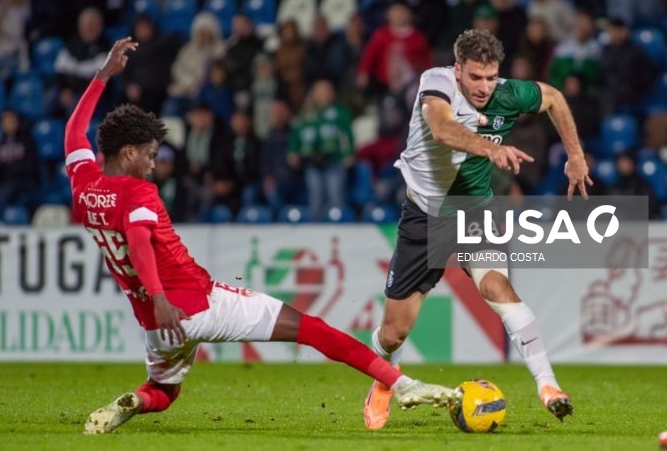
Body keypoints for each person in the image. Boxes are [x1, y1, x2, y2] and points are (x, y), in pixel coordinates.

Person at [66, 38, 460, 435]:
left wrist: (102, 77)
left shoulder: (83, 183)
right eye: (150, 155)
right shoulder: (139, 193)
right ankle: (404, 384)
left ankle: (133, 401)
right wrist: (160, 296)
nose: (153, 165)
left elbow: (73, 131)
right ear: (129, 152)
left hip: (155, 323)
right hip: (194, 301)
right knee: (311, 329)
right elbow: (137, 241)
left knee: (164, 390)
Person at [363, 29, 591, 430]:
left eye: (491, 77)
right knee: (395, 332)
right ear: (458, 70)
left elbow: (553, 97)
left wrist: (575, 156)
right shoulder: (435, 84)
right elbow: (442, 129)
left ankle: (548, 386)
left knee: (497, 288)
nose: (484, 87)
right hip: (426, 217)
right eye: (475, 78)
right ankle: (384, 380)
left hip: (474, 212)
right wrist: (491, 147)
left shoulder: (508, 93)